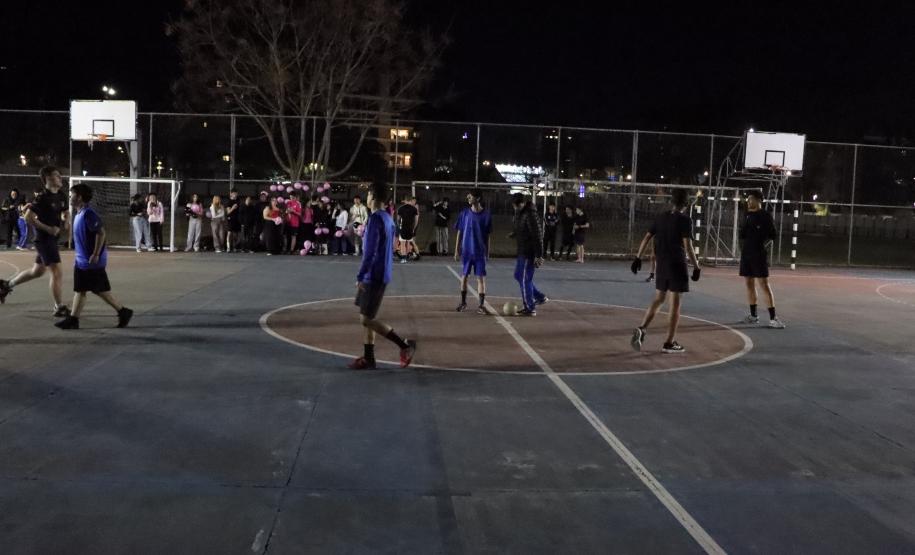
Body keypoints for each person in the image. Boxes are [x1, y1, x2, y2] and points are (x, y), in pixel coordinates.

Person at [348, 182, 416, 370]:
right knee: (366, 315)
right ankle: (369, 357)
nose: (367, 198)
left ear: (374, 197)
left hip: (373, 274)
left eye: (369, 194)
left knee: (366, 319)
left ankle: (405, 345)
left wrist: (361, 275)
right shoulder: (387, 218)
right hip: (381, 272)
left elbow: (370, 252)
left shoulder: (375, 219)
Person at [630, 188, 702, 354]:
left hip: (662, 263)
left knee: (659, 298)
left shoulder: (661, 217)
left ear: (672, 201)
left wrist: (638, 257)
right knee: (675, 305)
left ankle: (642, 327)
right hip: (677, 263)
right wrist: (696, 266)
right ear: (686, 203)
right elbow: (688, 246)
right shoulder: (685, 220)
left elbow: (647, 237)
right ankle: (669, 342)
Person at [54, 184, 133, 330]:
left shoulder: (89, 214)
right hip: (81, 261)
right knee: (81, 289)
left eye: (72, 195)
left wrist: (95, 254)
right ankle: (74, 319)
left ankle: (123, 311)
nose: (70, 197)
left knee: (99, 290)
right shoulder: (79, 214)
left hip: (91, 261)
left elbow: (101, 233)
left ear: (79, 197)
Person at [0, 166, 71, 315]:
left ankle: (6, 285)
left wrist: (66, 219)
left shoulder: (61, 195)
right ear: (48, 179)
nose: (60, 178)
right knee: (57, 272)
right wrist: (48, 229)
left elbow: (65, 211)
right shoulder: (42, 198)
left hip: (52, 239)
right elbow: (28, 217)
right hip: (44, 240)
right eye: (56, 175)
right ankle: (59, 307)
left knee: (37, 271)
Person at [739, 190, 785, 329]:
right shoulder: (747, 215)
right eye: (748, 199)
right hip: (746, 253)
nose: (748, 201)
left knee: (764, 284)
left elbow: (773, 235)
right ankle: (753, 316)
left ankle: (773, 318)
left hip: (758, 254)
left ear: (759, 200)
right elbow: (743, 234)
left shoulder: (765, 216)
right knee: (749, 283)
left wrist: (760, 244)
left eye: (751, 199)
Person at [453, 188, 492, 314]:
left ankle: (481, 305)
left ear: (478, 198)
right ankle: (463, 303)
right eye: (468, 196)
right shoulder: (464, 213)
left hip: (480, 252)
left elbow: (488, 236)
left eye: (470, 196)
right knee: (464, 277)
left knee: (481, 279)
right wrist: (456, 250)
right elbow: (459, 232)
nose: (468, 198)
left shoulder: (486, 215)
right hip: (467, 252)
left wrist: (488, 252)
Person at [510, 193, 548, 316]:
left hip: (529, 252)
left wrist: (539, 255)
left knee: (525, 278)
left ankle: (529, 307)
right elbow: (520, 227)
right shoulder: (519, 213)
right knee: (518, 275)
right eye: (515, 206)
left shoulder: (531, 214)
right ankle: (540, 297)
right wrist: (514, 234)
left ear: (523, 203)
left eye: (518, 205)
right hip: (522, 250)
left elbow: (537, 236)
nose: (516, 208)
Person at [396, 196, 419, 263]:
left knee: (403, 243)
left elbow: (398, 219)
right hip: (410, 228)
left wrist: (399, 226)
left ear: (405, 200)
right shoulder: (414, 209)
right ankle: (409, 255)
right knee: (409, 242)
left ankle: (404, 258)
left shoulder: (400, 208)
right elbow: (416, 220)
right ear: (411, 200)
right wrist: (414, 228)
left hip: (403, 227)